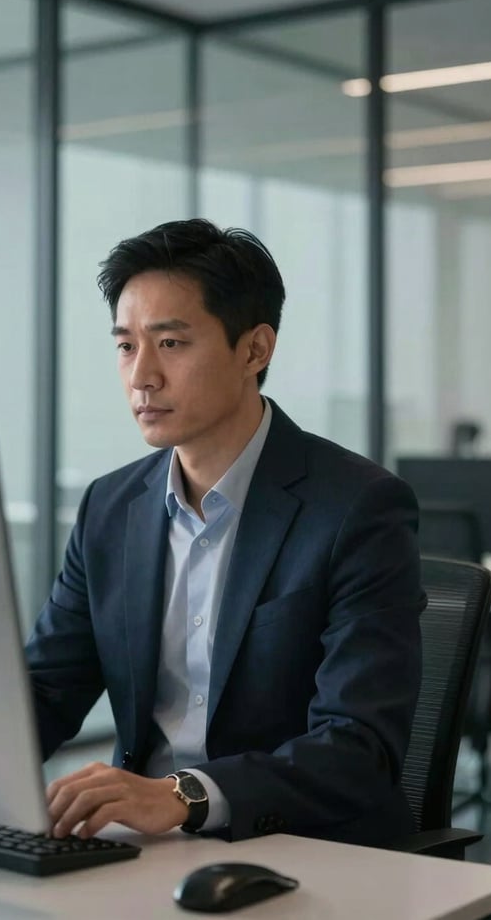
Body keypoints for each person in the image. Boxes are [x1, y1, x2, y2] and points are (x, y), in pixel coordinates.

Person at [26, 217, 425, 847]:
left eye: (171, 343)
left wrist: (180, 796)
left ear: (255, 350)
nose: (142, 376)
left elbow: (358, 746)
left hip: (306, 849)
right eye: (126, 346)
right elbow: (48, 688)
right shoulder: (111, 506)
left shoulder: (358, 508)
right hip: (146, 847)